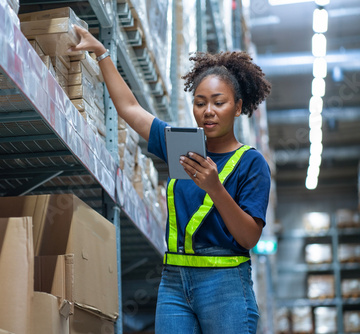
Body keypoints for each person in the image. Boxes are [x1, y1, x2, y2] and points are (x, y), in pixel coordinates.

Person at [71, 25, 272, 333]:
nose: (208, 111)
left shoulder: (251, 163)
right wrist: (101, 52)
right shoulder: (181, 144)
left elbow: (249, 238)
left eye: (219, 102)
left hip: (226, 284)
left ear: (238, 107)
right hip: (175, 281)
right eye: (200, 102)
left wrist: (215, 188)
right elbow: (128, 108)